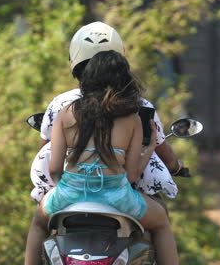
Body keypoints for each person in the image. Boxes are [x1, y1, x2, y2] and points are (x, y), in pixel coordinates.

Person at [5, 51, 202, 265]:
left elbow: (54, 168)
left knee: (39, 222)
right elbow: (131, 175)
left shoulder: (66, 112)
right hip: (117, 197)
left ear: (87, 78)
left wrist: (67, 187)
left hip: (69, 195)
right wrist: (149, 148)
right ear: (123, 79)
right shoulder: (132, 118)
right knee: (161, 223)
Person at [30, 22, 185, 205]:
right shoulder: (139, 108)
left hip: (71, 193)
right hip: (119, 196)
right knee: (159, 216)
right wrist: (176, 166)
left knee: (41, 216)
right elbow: (149, 161)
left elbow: (48, 159)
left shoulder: (62, 106)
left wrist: (63, 189)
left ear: (75, 62)